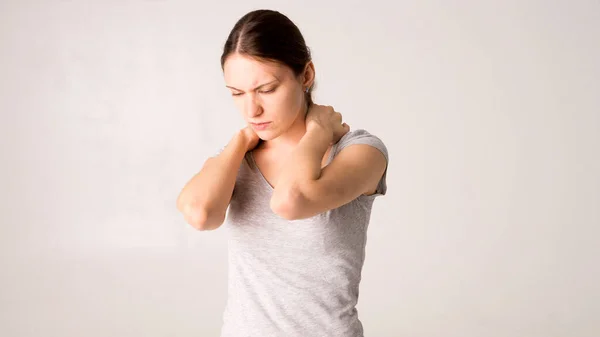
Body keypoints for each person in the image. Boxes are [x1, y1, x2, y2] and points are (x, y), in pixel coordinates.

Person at [176, 9, 389, 337]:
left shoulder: (360, 151)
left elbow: (291, 201)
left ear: (306, 76)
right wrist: (241, 141)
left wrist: (317, 133)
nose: (252, 110)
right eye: (237, 93)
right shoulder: (237, 158)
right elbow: (199, 214)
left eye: (266, 89)